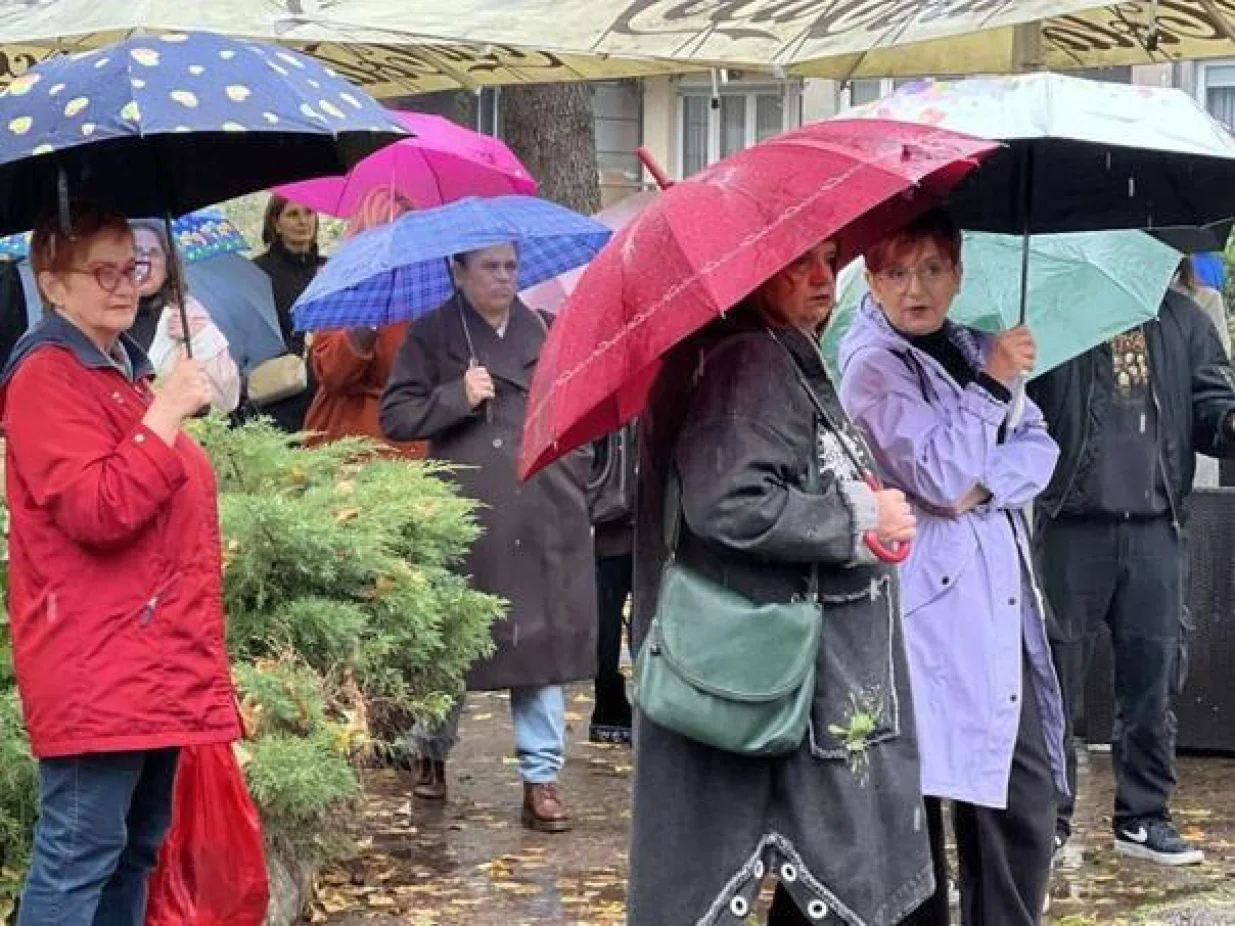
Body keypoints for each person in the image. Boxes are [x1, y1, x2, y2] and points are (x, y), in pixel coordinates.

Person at [627, 239, 930, 926]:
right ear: (750, 272)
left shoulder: (764, 349)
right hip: (771, 681)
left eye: (827, 258)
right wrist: (858, 516)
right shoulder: (746, 360)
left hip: (774, 677)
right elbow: (727, 503)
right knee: (812, 868)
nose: (821, 275)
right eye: (796, 262)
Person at [0, 202, 241, 924]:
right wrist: (164, 414)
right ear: (52, 283)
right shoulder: (46, 376)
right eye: (99, 271)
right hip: (95, 664)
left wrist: (160, 401)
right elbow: (97, 509)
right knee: (79, 857)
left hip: (149, 662)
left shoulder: (118, 371)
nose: (122, 285)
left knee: (134, 848)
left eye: (132, 266)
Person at [838, 210, 1065, 924]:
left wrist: (983, 483)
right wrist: (993, 388)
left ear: (956, 275)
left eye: (932, 269)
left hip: (1000, 604)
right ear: (871, 282)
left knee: (1019, 802)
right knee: (927, 805)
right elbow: (935, 475)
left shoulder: (970, 347)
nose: (916, 288)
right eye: (897, 272)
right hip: (926, 613)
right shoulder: (870, 368)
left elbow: (1038, 449)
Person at [379, 242, 597, 832]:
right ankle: (430, 751)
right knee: (455, 641)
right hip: (467, 510)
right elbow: (395, 416)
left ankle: (542, 777)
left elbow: (576, 403)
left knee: (539, 645)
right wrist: (456, 396)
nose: (503, 278)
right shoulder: (431, 334)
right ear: (458, 269)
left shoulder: (544, 329)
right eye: (489, 267)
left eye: (511, 266)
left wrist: (576, 472)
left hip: (542, 505)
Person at [1029, 254, 1235, 866]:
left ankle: (1142, 817)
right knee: (1053, 681)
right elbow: (1023, 411)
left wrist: (1229, 421)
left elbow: (1212, 411)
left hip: (1156, 528)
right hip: (1071, 525)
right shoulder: (1059, 318)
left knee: (1153, 679)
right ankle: (1047, 820)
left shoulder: (1186, 321)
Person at [306, 186, 423, 457]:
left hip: (411, 441)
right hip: (352, 443)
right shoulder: (342, 288)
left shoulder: (424, 292)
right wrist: (368, 321)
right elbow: (331, 373)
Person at [130, 219, 240, 413]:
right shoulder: (99, 316)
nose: (143, 261)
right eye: (136, 252)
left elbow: (227, 399)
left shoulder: (190, 315)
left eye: (153, 253)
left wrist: (199, 340)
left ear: (168, 266)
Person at [250, 195, 324, 432]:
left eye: (309, 212)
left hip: (325, 393)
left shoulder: (330, 269)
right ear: (276, 224)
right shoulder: (256, 273)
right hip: (281, 397)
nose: (303, 221)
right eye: (293, 214)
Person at [586, 422, 636, 745]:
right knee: (647, 617)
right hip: (648, 527)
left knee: (606, 618)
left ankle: (606, 707)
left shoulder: (609, 396)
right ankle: (643, 704)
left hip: (611, 526)